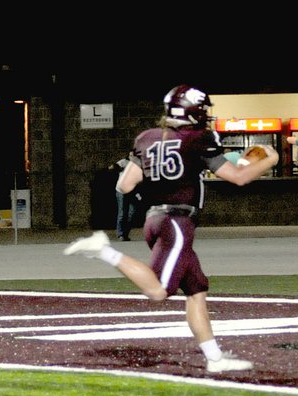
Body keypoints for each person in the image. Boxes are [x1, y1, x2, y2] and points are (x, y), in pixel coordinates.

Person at [64, 84, 279, 373]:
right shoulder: (197, 138)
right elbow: (238, 177)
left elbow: (124, 185)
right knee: (158, 290)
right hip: (177, 222)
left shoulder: (147, 138)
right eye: (201, 109)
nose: (204, 115)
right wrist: (270, 160)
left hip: (155, 220)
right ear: (191, 111)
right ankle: (102, 251)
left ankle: (214, 358)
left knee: (196, 290)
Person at [110, 152, 140, 241]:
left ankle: (125, 233)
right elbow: (112, 167)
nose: (132, 157)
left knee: (132, 212)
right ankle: (120, 234)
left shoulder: (138, 165)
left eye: (134, 155)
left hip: (132, 191)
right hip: (121, 190)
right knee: (122, 213)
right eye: (130, 155)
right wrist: (117, 167)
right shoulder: (124, 162)